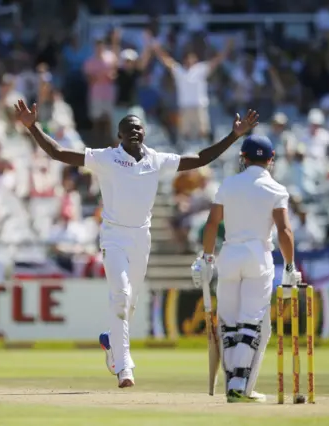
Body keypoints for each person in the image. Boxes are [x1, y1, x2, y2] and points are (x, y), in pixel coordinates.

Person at [13, 99, 259, 388]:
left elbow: (201, 158)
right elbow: (58, 153)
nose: (134, 132)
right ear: (119, 136)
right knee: (120, 295)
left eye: (138, 128)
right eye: (128, 128)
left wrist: (234, 135)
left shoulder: (156, 159)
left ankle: (111, 342)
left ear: (144, 133)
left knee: (129, 304)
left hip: (141, 238)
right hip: (114, 236)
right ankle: (125, 366)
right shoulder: (106, 157)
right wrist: (33, 128)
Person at [190, 135, 302, 403]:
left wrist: (206, 258)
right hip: (258, 256)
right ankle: (240, 385)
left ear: (244, 158)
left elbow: (212, 223)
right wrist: (289, 265)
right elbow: (285, 230)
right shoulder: (276, 189)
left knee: (228, 322)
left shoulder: (229, 184)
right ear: (271, 160)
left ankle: (235, 384)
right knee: (252, 321)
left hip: (229, 255)